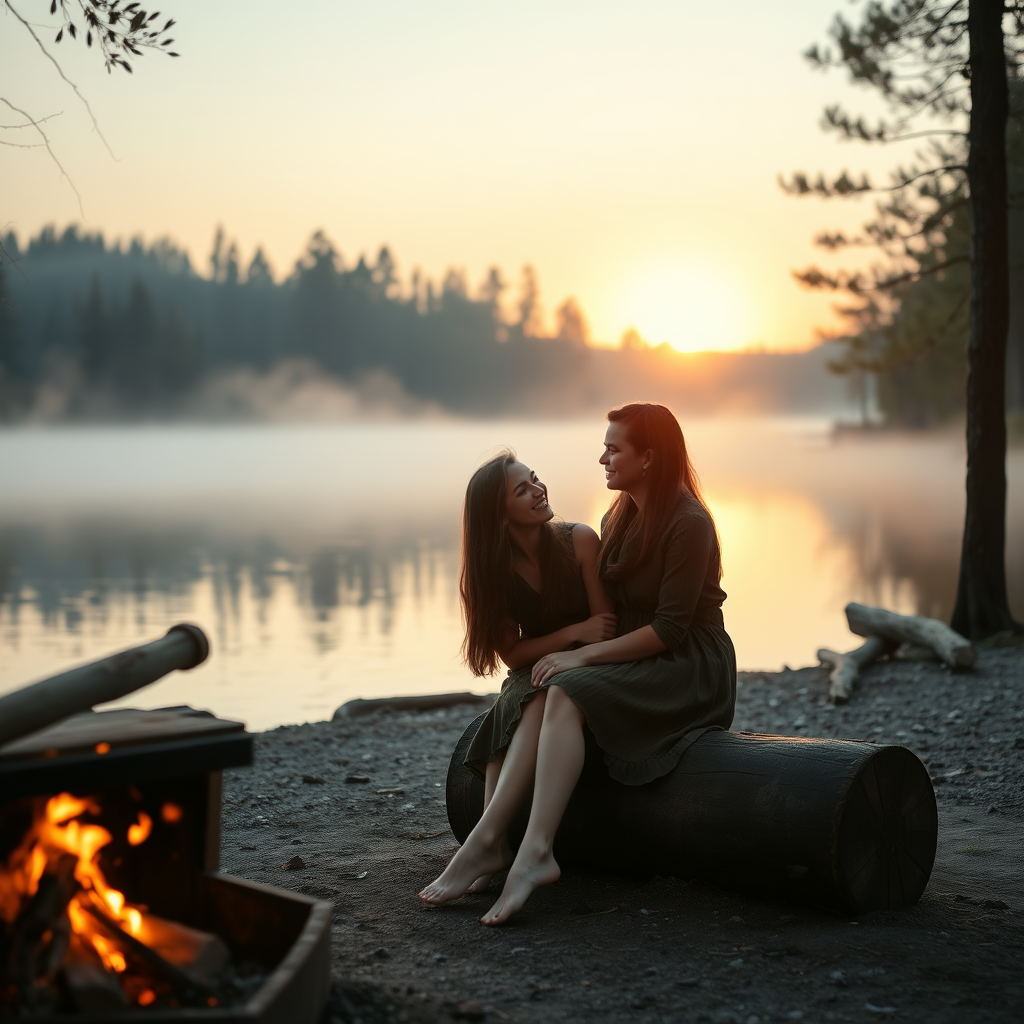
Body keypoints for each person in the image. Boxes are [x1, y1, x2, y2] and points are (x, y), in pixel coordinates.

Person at [420, 404, 736, 925]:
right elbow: (587, 610)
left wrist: (579, 654)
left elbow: (669, 630)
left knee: (567, 686)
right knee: (539, 690)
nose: (602, 457)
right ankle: (504, 844)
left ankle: (529, 850)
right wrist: (571, 647)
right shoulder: (622, 514)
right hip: (634, 650)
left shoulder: (690, 523)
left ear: (650, 458)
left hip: (687, 662)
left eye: (614, 449)